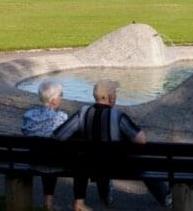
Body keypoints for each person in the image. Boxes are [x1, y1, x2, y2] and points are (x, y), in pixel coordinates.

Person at [53, 79, 171, 211]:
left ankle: (103, 195)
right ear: (109, 97)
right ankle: (164, 196)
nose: (116, 95)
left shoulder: (83, 113)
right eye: (114, 92)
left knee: (93, 156)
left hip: (89, 165)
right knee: (142, 162)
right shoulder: (117, 116)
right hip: (117, 166)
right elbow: (141, 140)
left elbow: (59, 135)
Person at [21, 80, 68, 211]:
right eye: (61, 94)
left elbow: (25, 132)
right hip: (54, 163)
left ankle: (47, 204)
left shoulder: (29, 115)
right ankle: (48, 203)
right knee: (52, 159)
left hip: (33, 160)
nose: (62, 97)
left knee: (45, 156)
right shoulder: (62, 117)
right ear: (53, 100)